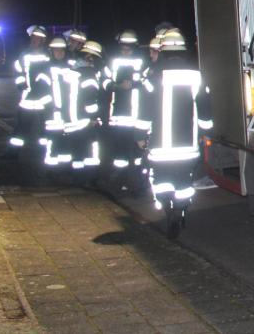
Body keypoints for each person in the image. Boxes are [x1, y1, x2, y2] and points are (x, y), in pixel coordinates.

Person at [136, 29, 212, 238]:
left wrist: (140, 136)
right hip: (187, 147)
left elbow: (144, 110)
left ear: (162, 50)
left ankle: (168, 208)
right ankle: (179, 208)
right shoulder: (195, 75)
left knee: (160, 180)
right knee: (184, 183)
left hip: (160, 148)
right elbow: (205, 108)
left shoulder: (152, 76)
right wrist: (206, 132)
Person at [27, 37, 78, 167]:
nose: (60, 53)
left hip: (68, 114)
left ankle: (64, 170)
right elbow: (40, 92)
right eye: (56, 51)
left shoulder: (72, 68)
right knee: (52, 142)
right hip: (52, 115)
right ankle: (52, 171)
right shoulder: (45, 70)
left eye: (62, 51)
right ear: (51, 52)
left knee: (66, 142)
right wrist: (50, 106)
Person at [102, 29, 146, 172]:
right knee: (120, 154)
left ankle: (138, 181)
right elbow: (104, 82)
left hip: (137, 117)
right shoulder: (112, 62)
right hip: (118, 115)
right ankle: (120, 181)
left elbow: (149, 84)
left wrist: (135, 85)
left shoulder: (143, 63)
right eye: (123, 48)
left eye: (129, 48)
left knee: (137, 152)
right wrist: (117, 86)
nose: (126, 51)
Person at [10, 26, 50, 151]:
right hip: (27, 98)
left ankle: (46, 152)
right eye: (33, 37)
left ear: (43, 40)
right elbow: (18, 71)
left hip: (45, 99)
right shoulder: (24, 55)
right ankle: (13, 153)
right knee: (21, 127)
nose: (35, 40)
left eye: (38, 38)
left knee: (47, 127)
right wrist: (21, 84)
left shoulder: (48, 55)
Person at [67, 41, 104, 171]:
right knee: (88, 148)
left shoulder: (74, 70)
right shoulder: (89, 74)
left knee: (76, 149)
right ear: (91, 57)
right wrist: (94, 118)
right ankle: (86, 176)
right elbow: (90, 100)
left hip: (73, 116)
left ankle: (76, 174)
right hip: (85, 119)